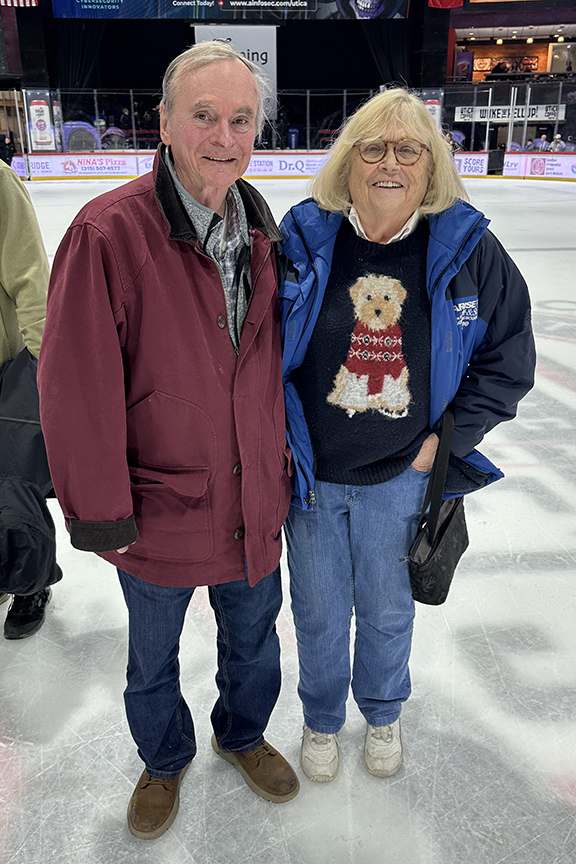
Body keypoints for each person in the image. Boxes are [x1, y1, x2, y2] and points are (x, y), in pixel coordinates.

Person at [38, 42, 299, 840]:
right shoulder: (107, 232)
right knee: (152, 658)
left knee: (255, 641)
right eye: (204, 115)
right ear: (163, 121)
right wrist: (101, 512)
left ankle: (243, 735)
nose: (224, 136)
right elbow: (76, 387)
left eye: (241, 120)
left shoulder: (265, 231)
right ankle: (163, 756)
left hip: (253, 497)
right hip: (159, 505)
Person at [279, 89, 535, 784]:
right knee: (318, 613)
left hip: (401, 477)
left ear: (431, 165)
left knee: (388, 612)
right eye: (373, 148)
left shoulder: (468, 248)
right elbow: (257, 347)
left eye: (408, 150)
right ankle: (321, 719)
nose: (389, 163)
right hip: (311, 477)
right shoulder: (303, 236)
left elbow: (509, 359)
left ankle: (383, 712)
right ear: (348, 160)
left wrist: (442, 446)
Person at [0, 159, 56, 639]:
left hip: (5, 370)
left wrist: (45, 367)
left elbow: (30, 278)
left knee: (14, 486)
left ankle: (31, 583)